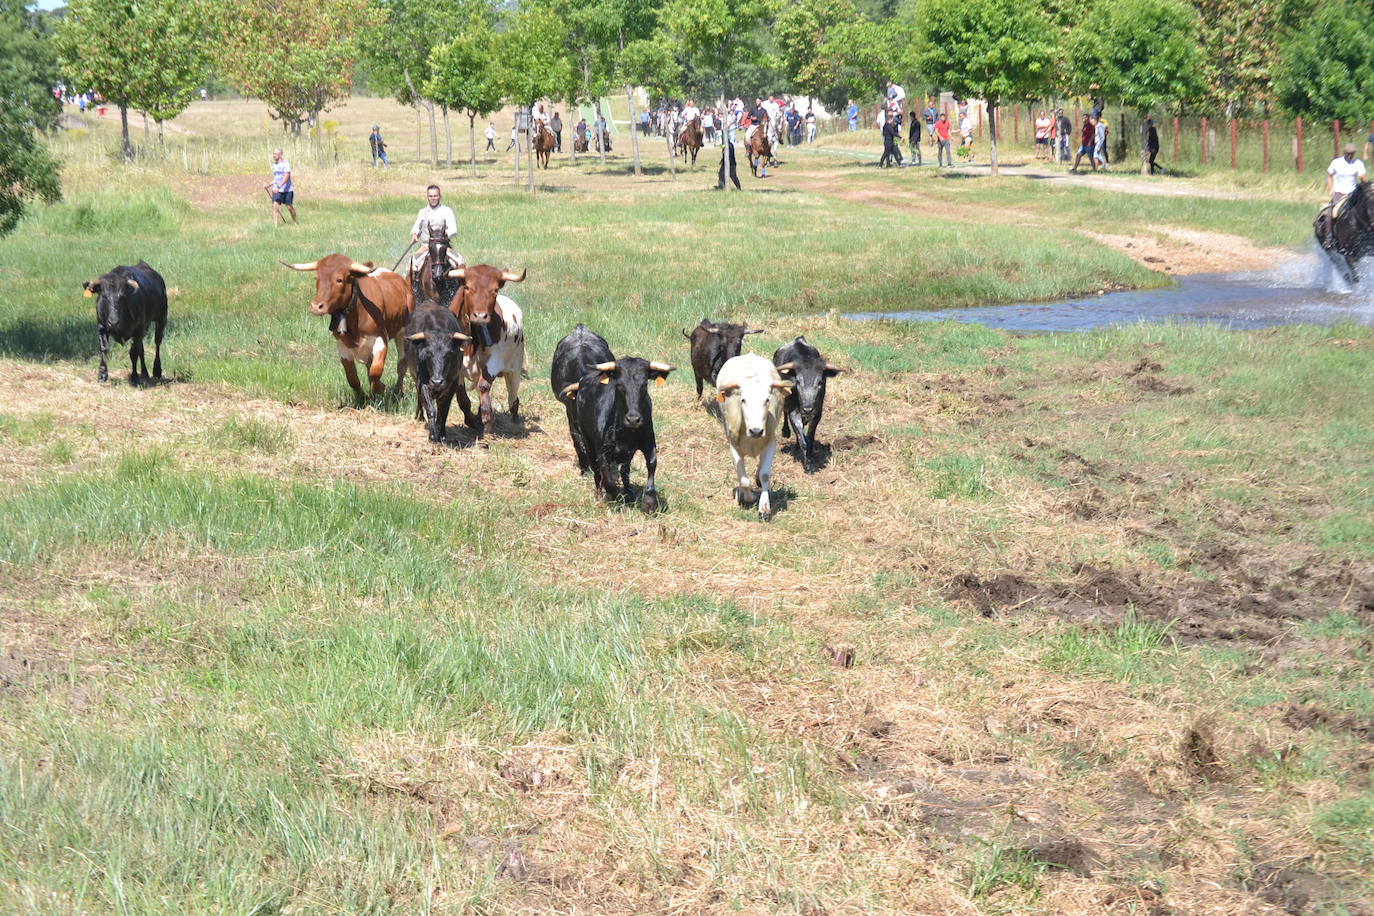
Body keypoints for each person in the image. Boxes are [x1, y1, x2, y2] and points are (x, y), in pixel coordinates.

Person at [410, 185, 463, 273]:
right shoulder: (422, 212)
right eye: (430, 196)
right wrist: (414, 234)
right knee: (412, 263)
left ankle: (461, 285)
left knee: (459, 260)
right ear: (427, 197)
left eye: (435, 196)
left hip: (443, 246)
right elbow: (416, 227)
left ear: (439, 196)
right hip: (426, 246)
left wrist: (444, 235)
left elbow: (453, 229)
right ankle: (411, 286)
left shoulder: (447, 211)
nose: (433, 198)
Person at [263, 148, 296, 226]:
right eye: (273, 154)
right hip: (276, 190)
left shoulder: (285, 164)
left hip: (287, 190)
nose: (273, 155)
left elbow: (286, 176)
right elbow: (276, 178)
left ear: (280, 155)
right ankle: (275, 227)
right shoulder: (274, 165)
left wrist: (279, 186)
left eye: (275, 154)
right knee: (275, 206)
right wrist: (269, 184)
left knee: (289, 207)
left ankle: (294, 222)